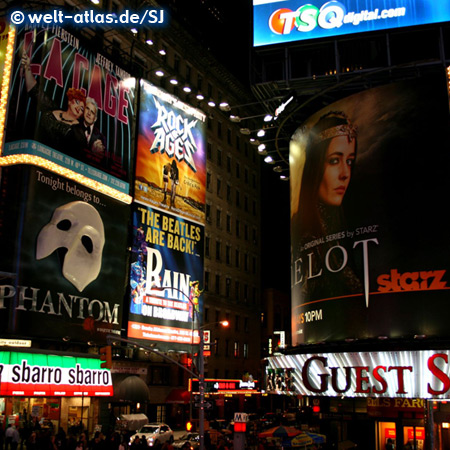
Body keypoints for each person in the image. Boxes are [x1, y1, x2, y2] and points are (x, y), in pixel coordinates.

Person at [293, 111, 362, 301]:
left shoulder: (341, 227)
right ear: (315, 167)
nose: (344, 173)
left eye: (349, 161)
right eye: (334, 160)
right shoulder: (306, 235)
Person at [21, 52, 86, 155]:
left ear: (81, 115)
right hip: (34, 152)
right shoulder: (52, 108)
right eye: (77, 102)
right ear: (70, 101)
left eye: (82, 109)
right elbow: (34, 90)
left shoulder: (79, 132)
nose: (78, 107)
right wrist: (27, 67)